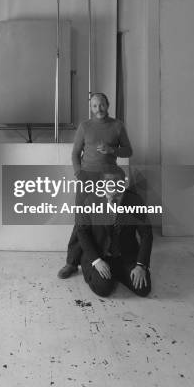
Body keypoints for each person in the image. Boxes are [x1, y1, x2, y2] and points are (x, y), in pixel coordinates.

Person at [58, 92, 132, 279]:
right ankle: (71, 263)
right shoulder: (85, 126)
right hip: (87, 177)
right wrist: (78, 173)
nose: (98, 109)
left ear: (108, 105)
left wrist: (112, 150)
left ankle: (103, 257)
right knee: (82, 219)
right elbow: (75, 153)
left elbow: (128, 151)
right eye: (94, 106)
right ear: (90, 108)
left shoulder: (117, 126)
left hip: (109, 178)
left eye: (101, 105)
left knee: (106, 219)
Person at [75, 169, 152, 297]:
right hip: (100, 255)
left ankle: (118, 273)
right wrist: (96, 261)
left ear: (123, 182)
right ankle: (108, 274)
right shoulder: (90, 200)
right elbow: (82, 232)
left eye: (117, 181)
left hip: (126, 256)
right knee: (103, 289)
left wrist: (140, 265)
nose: (113, 184)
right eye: (108, 181)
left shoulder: (135, 200)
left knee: (143, 289)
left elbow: (146, 234)